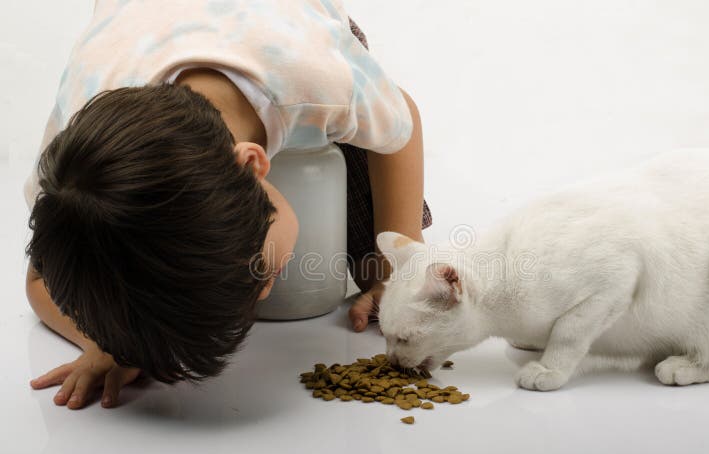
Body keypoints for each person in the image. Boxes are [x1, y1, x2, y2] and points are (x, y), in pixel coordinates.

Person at [23, 0, 432, 410]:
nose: (265, 292)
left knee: (375, 265)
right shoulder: (78, 173)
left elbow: (400, 125)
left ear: (255, 164)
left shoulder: (319, 81)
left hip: (283, 23)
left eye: (261, 270)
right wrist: (109, 340)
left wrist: (393, 272)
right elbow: (39, 284)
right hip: (134, 29)